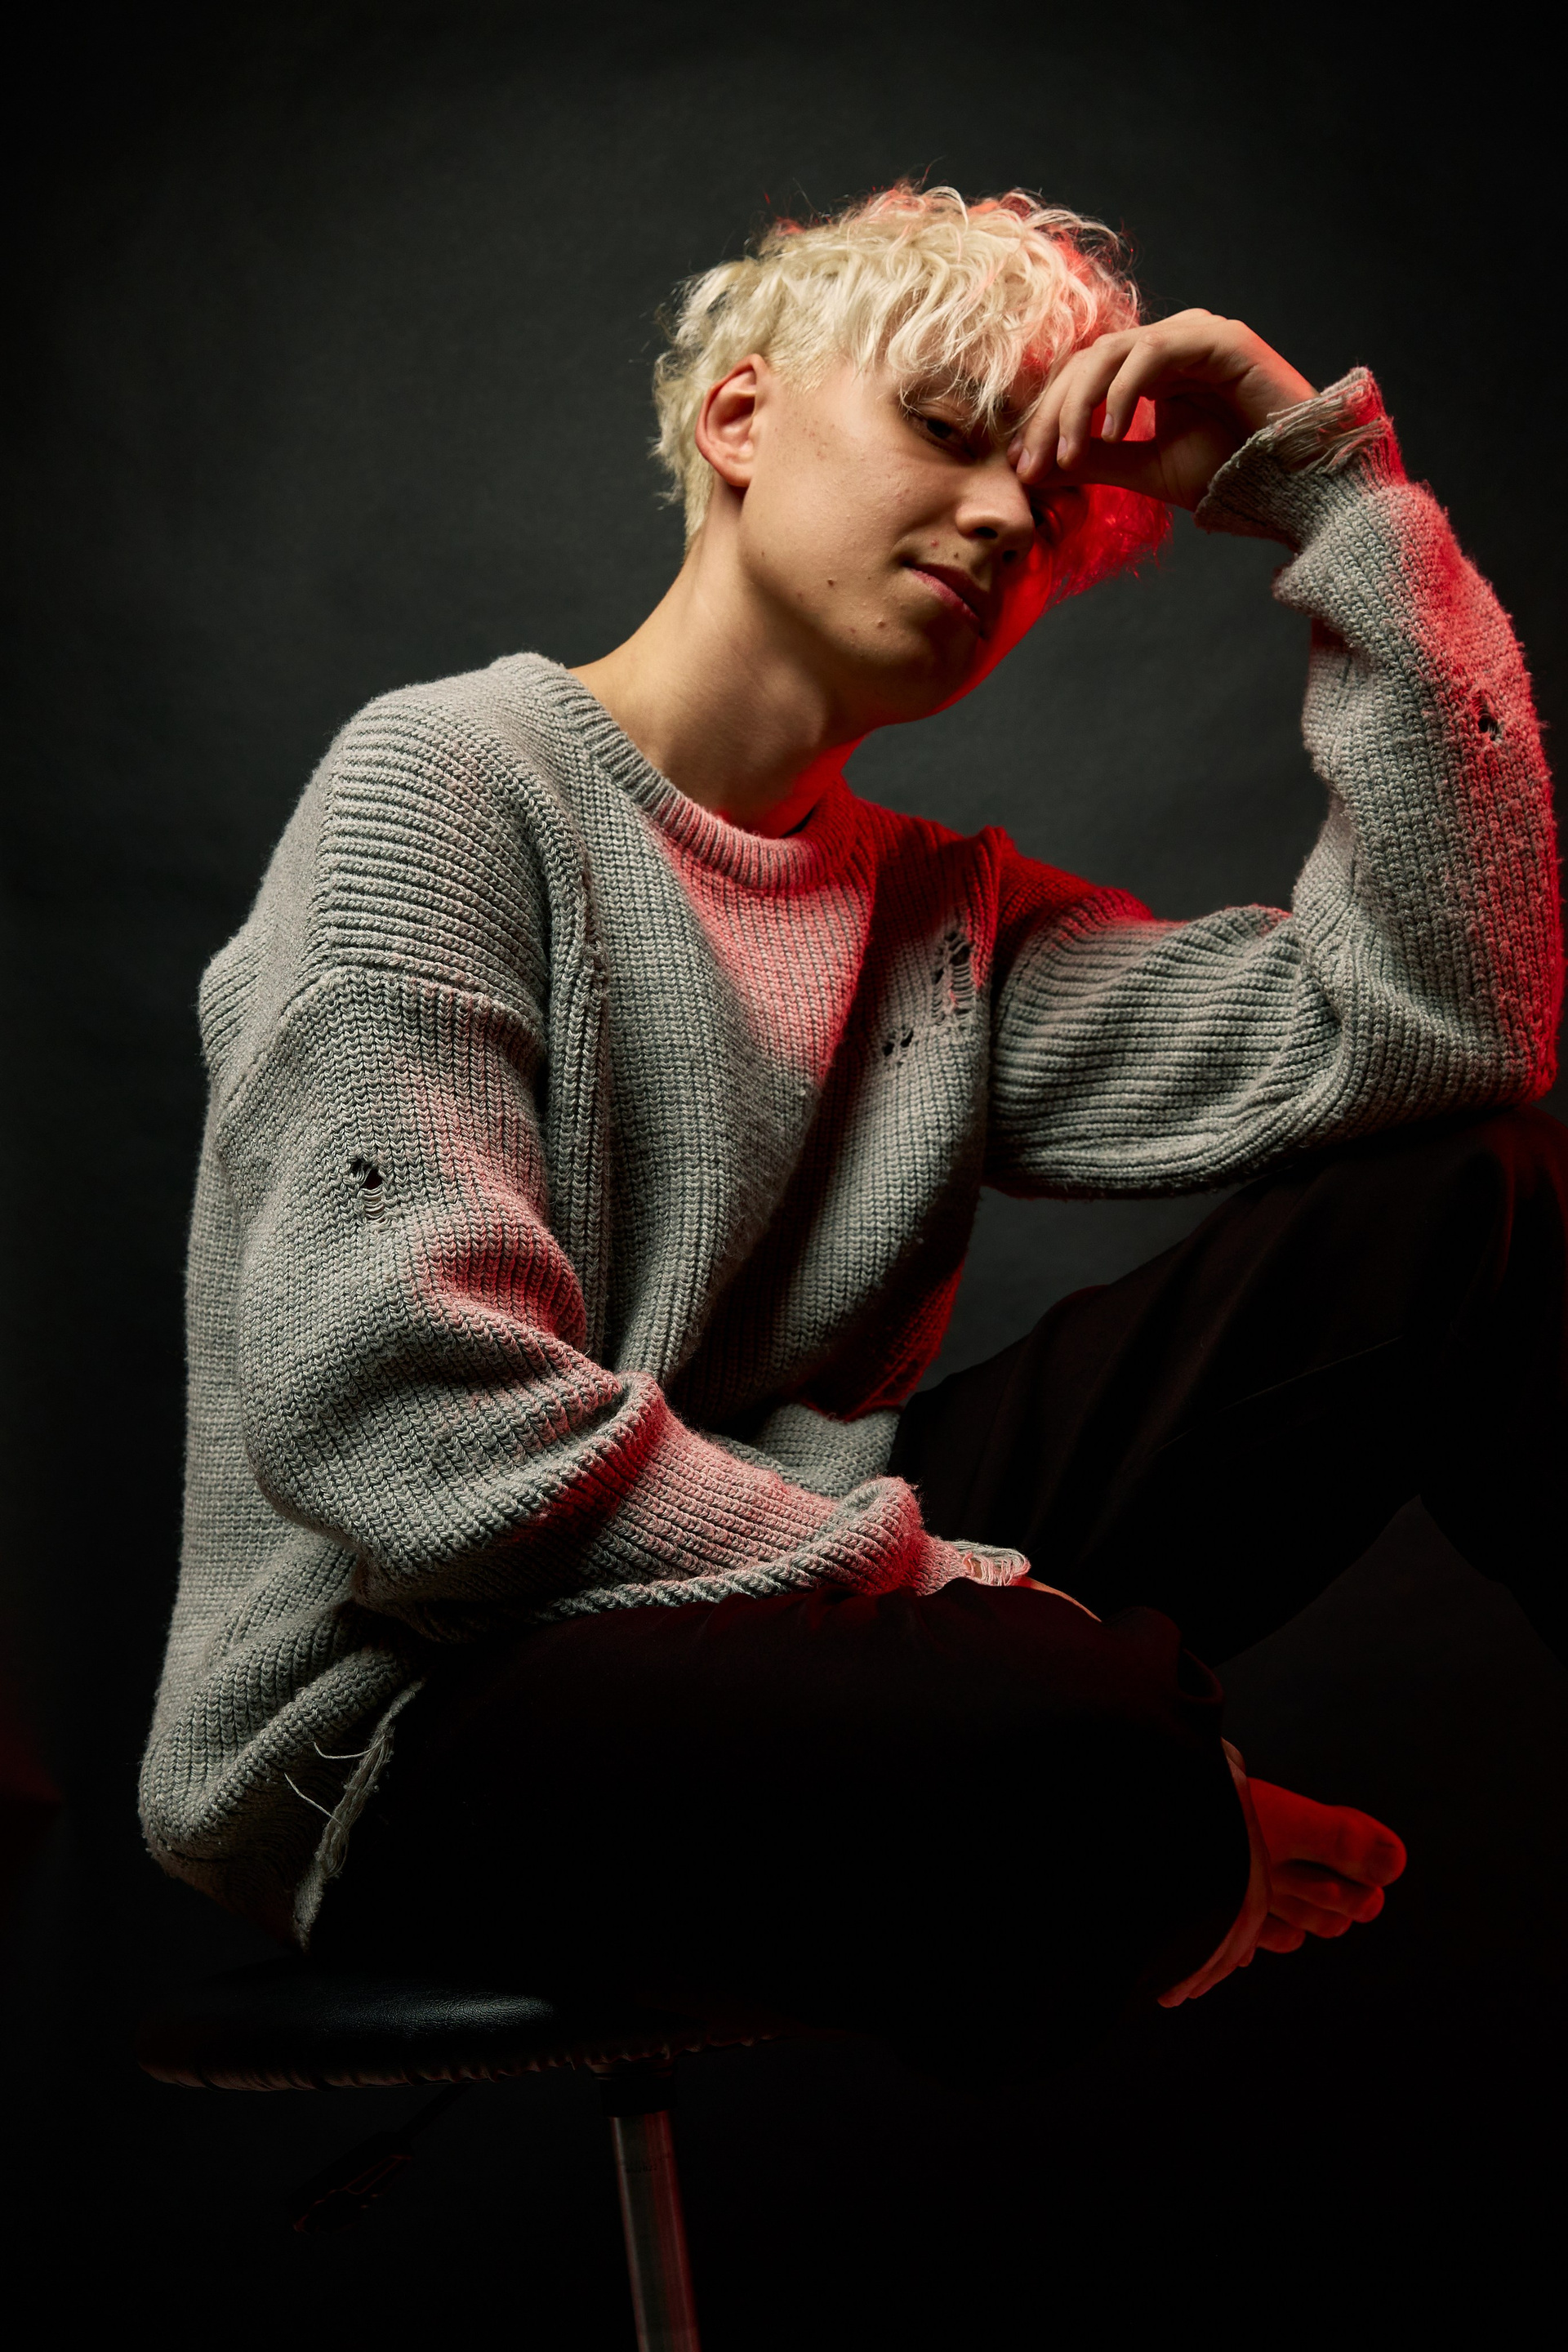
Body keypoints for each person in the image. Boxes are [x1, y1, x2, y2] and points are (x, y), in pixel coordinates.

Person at [140, 185, 1562, 2077]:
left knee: (1474, 1200)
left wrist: (1335, 493)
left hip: (796, 1592)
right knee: (1084, 1741)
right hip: (417, 1702)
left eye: (1046, 507)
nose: (1003, 521)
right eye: (946, 431)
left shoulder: (939, 924)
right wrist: (946, 1601)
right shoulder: (446, 785)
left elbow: (1450, 1034)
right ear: (740, 419)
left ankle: (1114, 1790)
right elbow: (407, 1431)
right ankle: (1118, 1790)